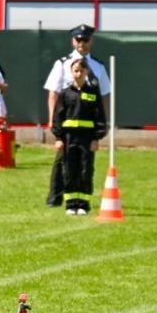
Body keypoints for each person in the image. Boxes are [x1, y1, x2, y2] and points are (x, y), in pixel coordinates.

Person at [42, 24, 111, 207]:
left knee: (86, 162)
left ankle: (81, 197)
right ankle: (55, 195)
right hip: (68, 121)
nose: (82, 43)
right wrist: (52, 119)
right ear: (73, 41)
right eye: (78, 40)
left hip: (88, 123)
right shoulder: (62, 63)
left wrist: (105, 121)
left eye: (85, 40)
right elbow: (54, 93)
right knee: (63, 159)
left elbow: (104, 95)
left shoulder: (98, 66)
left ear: (91, 41)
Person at [51, 56, 107, 215]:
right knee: (69, 170)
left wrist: (96, 138)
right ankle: (71, 204)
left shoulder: (93, 93)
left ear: (86, 72)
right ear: (71, 72)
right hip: (69, 138)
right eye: (75, 71)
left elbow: (99, 117)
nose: (78, 74)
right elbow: (58, 117)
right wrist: (58, 138)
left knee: (85, 170)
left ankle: (83, 204)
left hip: (87, 139)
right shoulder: (65, 93)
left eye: (81, 71)